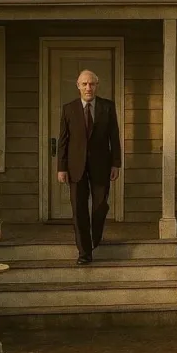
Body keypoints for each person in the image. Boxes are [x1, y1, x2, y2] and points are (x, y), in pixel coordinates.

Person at [56, 69, 121, 265]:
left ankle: (95, 237)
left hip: (101, 166)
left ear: (97, 85)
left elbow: (114, 138)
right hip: (76, 168)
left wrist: (116, 164)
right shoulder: (69, 109)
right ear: (78, 87)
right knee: (79, 210)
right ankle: (84, 253)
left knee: (100, 206)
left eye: (91, 84)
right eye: (84, 84)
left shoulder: (107, 107)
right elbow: (63, 141)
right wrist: (62, 167)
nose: (88, 88)